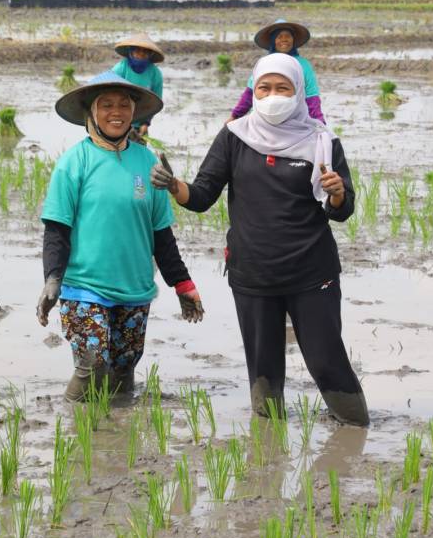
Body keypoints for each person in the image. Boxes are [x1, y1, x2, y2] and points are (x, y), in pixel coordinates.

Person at [152, 52, 369, 426]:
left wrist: (336, 193)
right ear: (253, 90)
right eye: (264, 87)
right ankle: (268, 450)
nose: (272, 95)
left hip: (311, 271)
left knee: (326, 358)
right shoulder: (234, 136)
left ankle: (355, 429)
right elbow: (203, 196)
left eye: (282, 88)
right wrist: (174, 186)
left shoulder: (322, 141)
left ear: (298, 92)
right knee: (263, 367)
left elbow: (341, 210)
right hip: (252, 273)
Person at [36, 70, 203, 402]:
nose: (116, 112)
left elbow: (161, 234)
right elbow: (57, 230)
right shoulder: (74, 163)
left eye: (124, 105)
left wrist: (183, 284)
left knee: (124, 370)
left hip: (134, 288)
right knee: (93, 365)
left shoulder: (148, 163)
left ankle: (118, 440)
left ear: (134, 112)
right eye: (107, 105)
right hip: (84, 286)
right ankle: (74, 425)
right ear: (92, 113)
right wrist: (53, 278)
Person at [228, 18, 324, 123]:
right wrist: (235, 116)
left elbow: (311, 96)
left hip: (293, 120)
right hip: (264, 118)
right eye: (279, 36)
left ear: (293, 40)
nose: (284, 39)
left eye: (288, 36)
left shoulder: (303, 65)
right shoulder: (264, 63)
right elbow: (250, 92)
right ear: (273, 40)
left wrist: (319, 122)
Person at [111, 33, 165, 139]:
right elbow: (108, 96)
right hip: (117, 122)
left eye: (145, 52)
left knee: (139, 153)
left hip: (139, 125)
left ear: (150, 54)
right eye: (137, 50)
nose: (141, 54)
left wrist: (145, 123)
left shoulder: (155, 73)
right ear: (130, 51)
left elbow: (155, 101)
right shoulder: (120, 69)